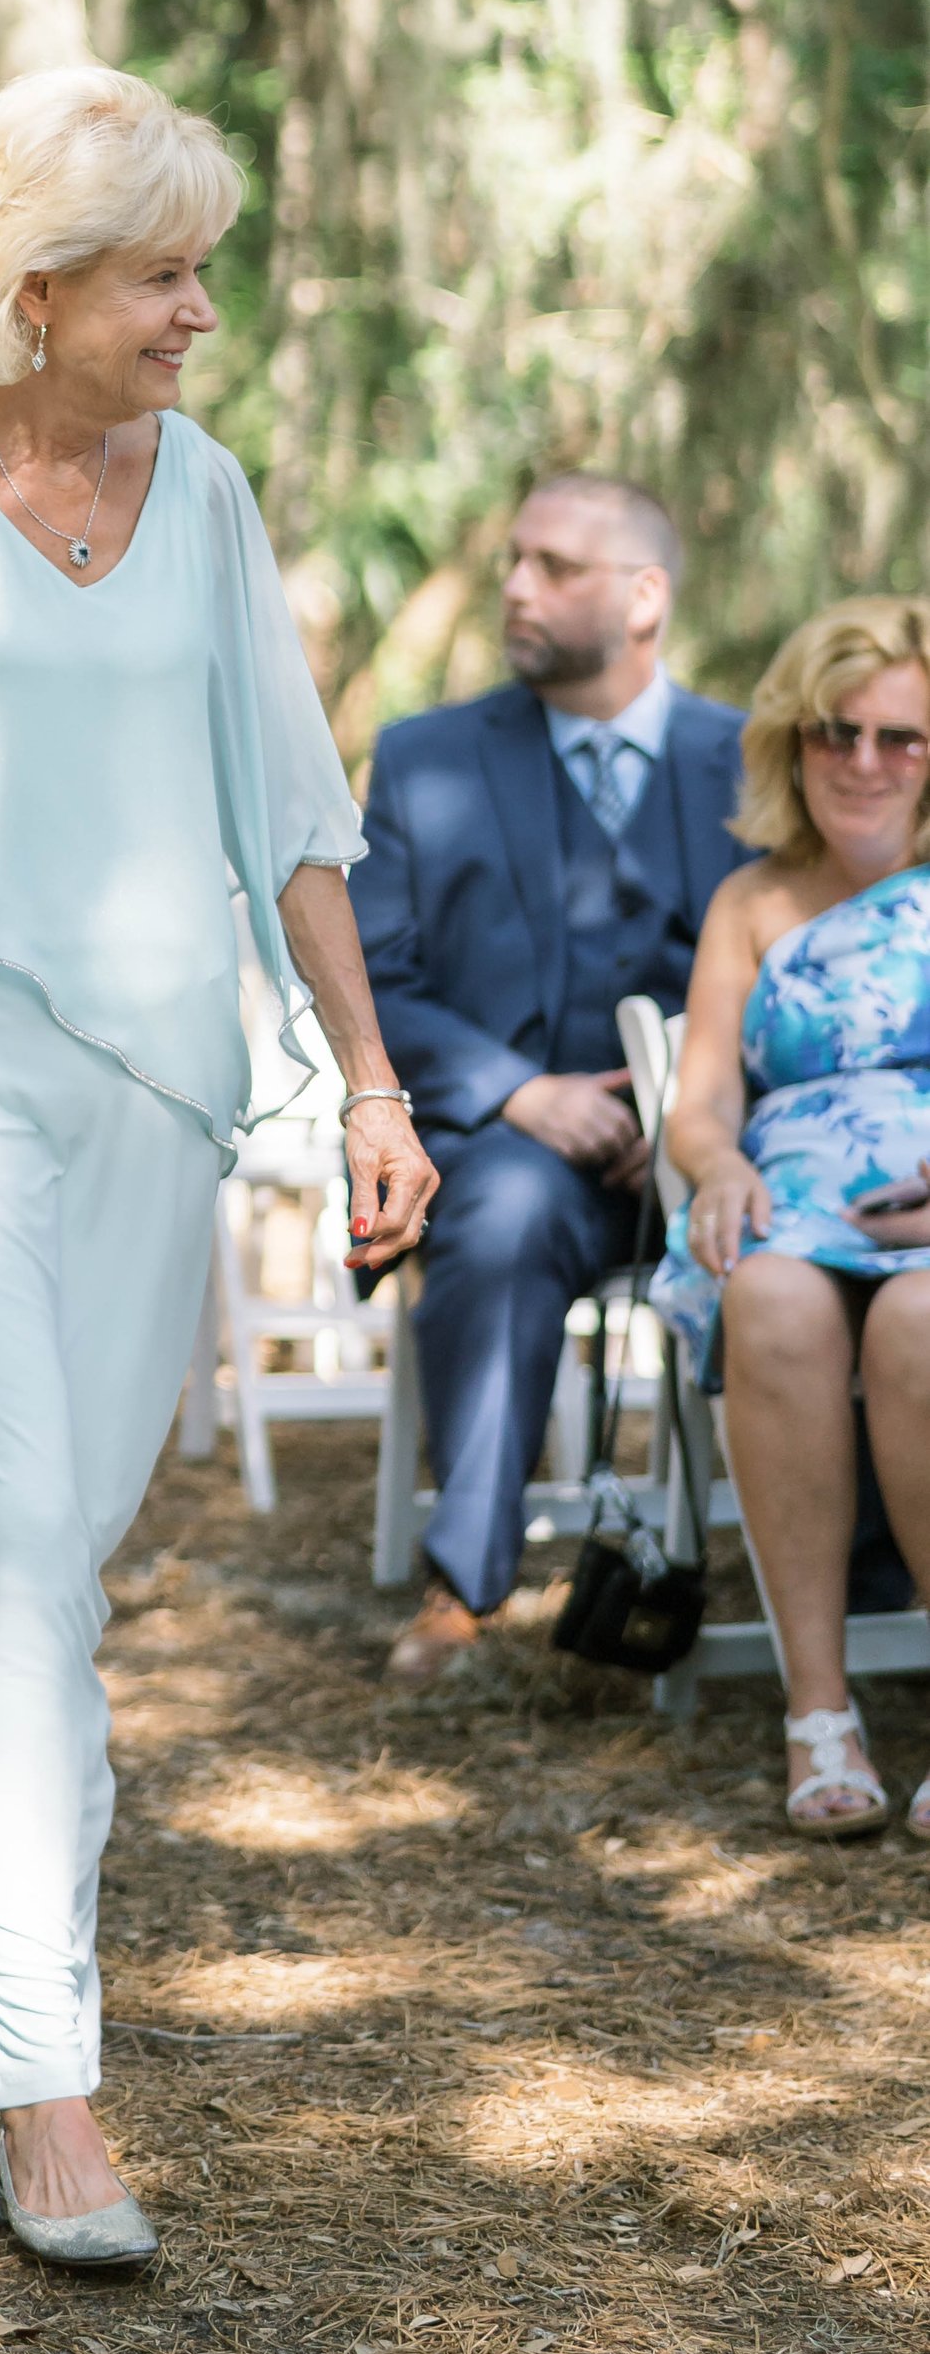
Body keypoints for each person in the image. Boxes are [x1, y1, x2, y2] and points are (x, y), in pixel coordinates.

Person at [0, 66, 435, 2270]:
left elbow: (286, 810)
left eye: (197, 271)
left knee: (65, 1559)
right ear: (33, 286)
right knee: (12, 1549)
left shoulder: (203, 492)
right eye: (161, 275)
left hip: (163, 1085)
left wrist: (365, 1088)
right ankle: (45, 2087)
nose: (197, 312)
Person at [352, 476, 745, 1684]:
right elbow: (374, 978)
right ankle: (464, 1581)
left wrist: (687, 1109)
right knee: (508, 1212)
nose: (516, 585)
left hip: (714, 1143)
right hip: (516, 1147)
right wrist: (522, 1093)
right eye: (514, 558)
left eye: (555, 566)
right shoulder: (426, 758)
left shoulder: (752, 759)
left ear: (643, 597)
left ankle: (865, 1585)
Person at [654, 599, 930, 1840]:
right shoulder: (750, 904)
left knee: (919, 1324)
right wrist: (712, 1163)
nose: (864, 761)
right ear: (791, 741)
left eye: (900, 738)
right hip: (789, 1204)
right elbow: (700, 1095)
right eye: (837, 731)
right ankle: (817, 1712)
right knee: (765, 1297)